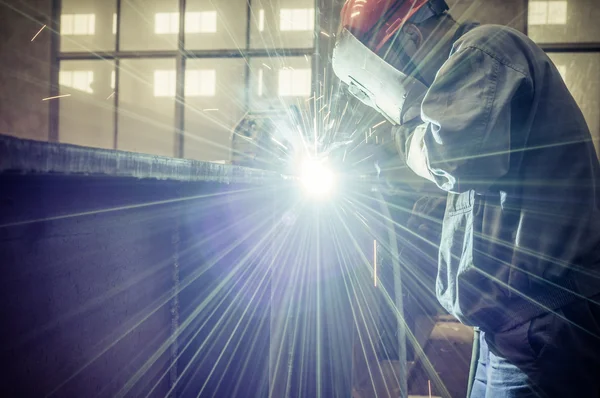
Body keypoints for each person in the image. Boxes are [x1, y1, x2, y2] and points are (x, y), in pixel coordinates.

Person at [332, 0, 600, 397]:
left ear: (411, 37)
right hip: (510, 331)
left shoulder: (484, 49)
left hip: (541, 330)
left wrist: (405, 124)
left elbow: (453, 158)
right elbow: (486, 192)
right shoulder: (472, 87)